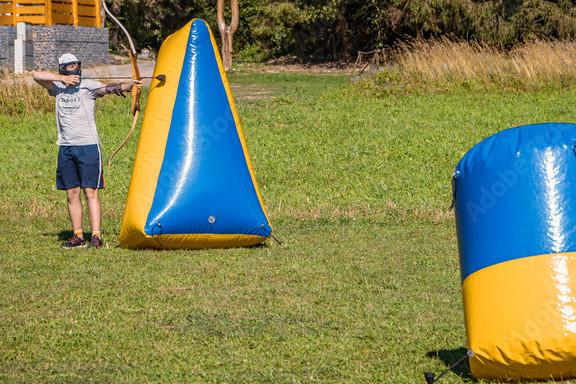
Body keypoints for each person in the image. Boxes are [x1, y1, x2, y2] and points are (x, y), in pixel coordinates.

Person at [33, 53, 141, 249]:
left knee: (90, 192)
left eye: (77, 65)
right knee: (71, 193)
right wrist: (62, 79)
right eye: (71, 66)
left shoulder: (88, 86)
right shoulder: (56, 87)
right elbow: (36, 75)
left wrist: (131, 85)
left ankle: (96, 236)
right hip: (66, 147)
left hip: (88, 146)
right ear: (64, 68)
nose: (75, 69)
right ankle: (78, 236)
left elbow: (111, 88)